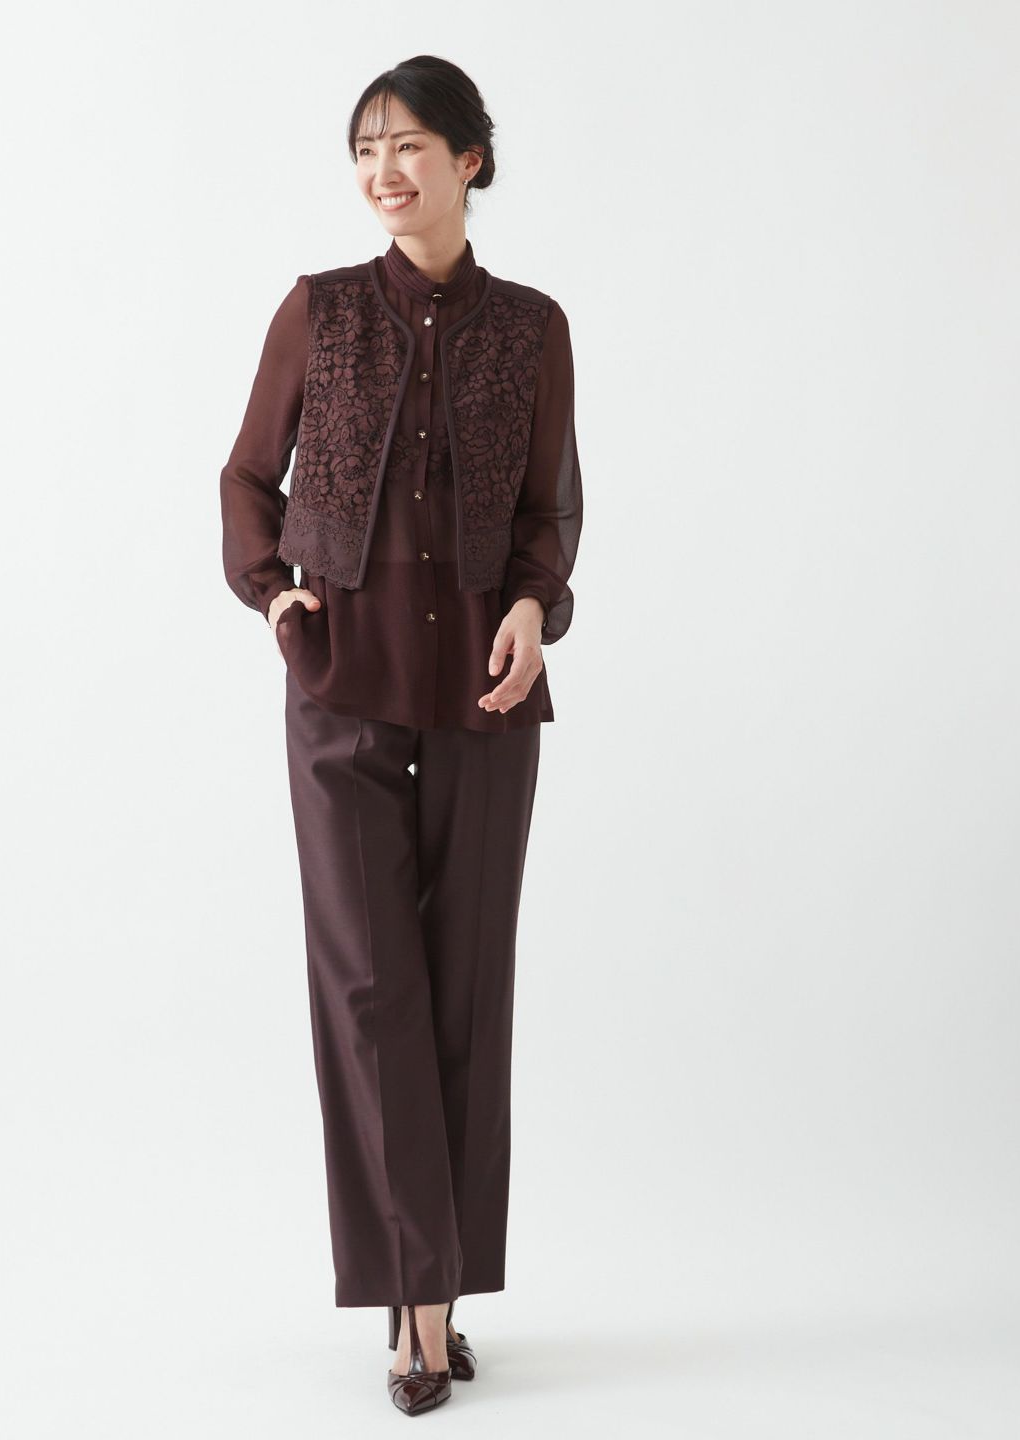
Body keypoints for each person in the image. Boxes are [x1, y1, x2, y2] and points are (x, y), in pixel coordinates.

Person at [219, 54, 583, 1416]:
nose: (384, 171)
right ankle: (416, 1307)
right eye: (365, 149)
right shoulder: (318, 312)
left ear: (469, 160)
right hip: (344, 691)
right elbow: (247, 477)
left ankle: (437, 1294)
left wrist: (536, 605)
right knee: (371, 991)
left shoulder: (532, 328)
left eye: (410, 146)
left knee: (465, 987)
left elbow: (550, 509)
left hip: (485, 699)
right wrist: (274, 593)